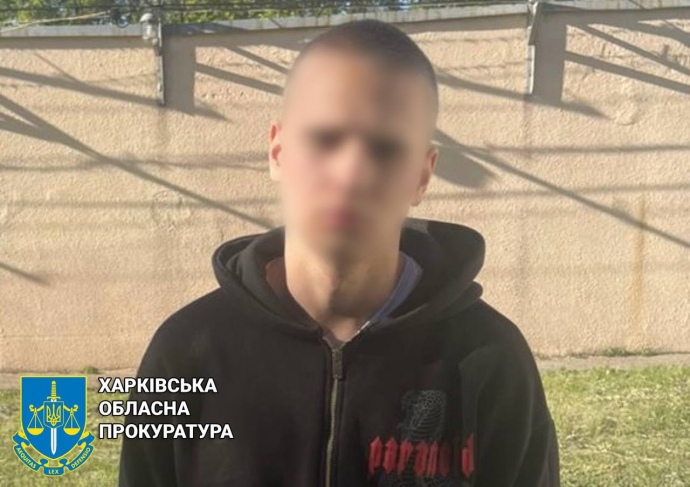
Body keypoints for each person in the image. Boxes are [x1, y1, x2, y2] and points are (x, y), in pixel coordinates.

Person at [118, 19, 560, 487]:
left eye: (386, 148)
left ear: (421, 176)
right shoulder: (186, 352)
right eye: (325, 139)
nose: (350, 173)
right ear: (278, 151)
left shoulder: (491, 359)